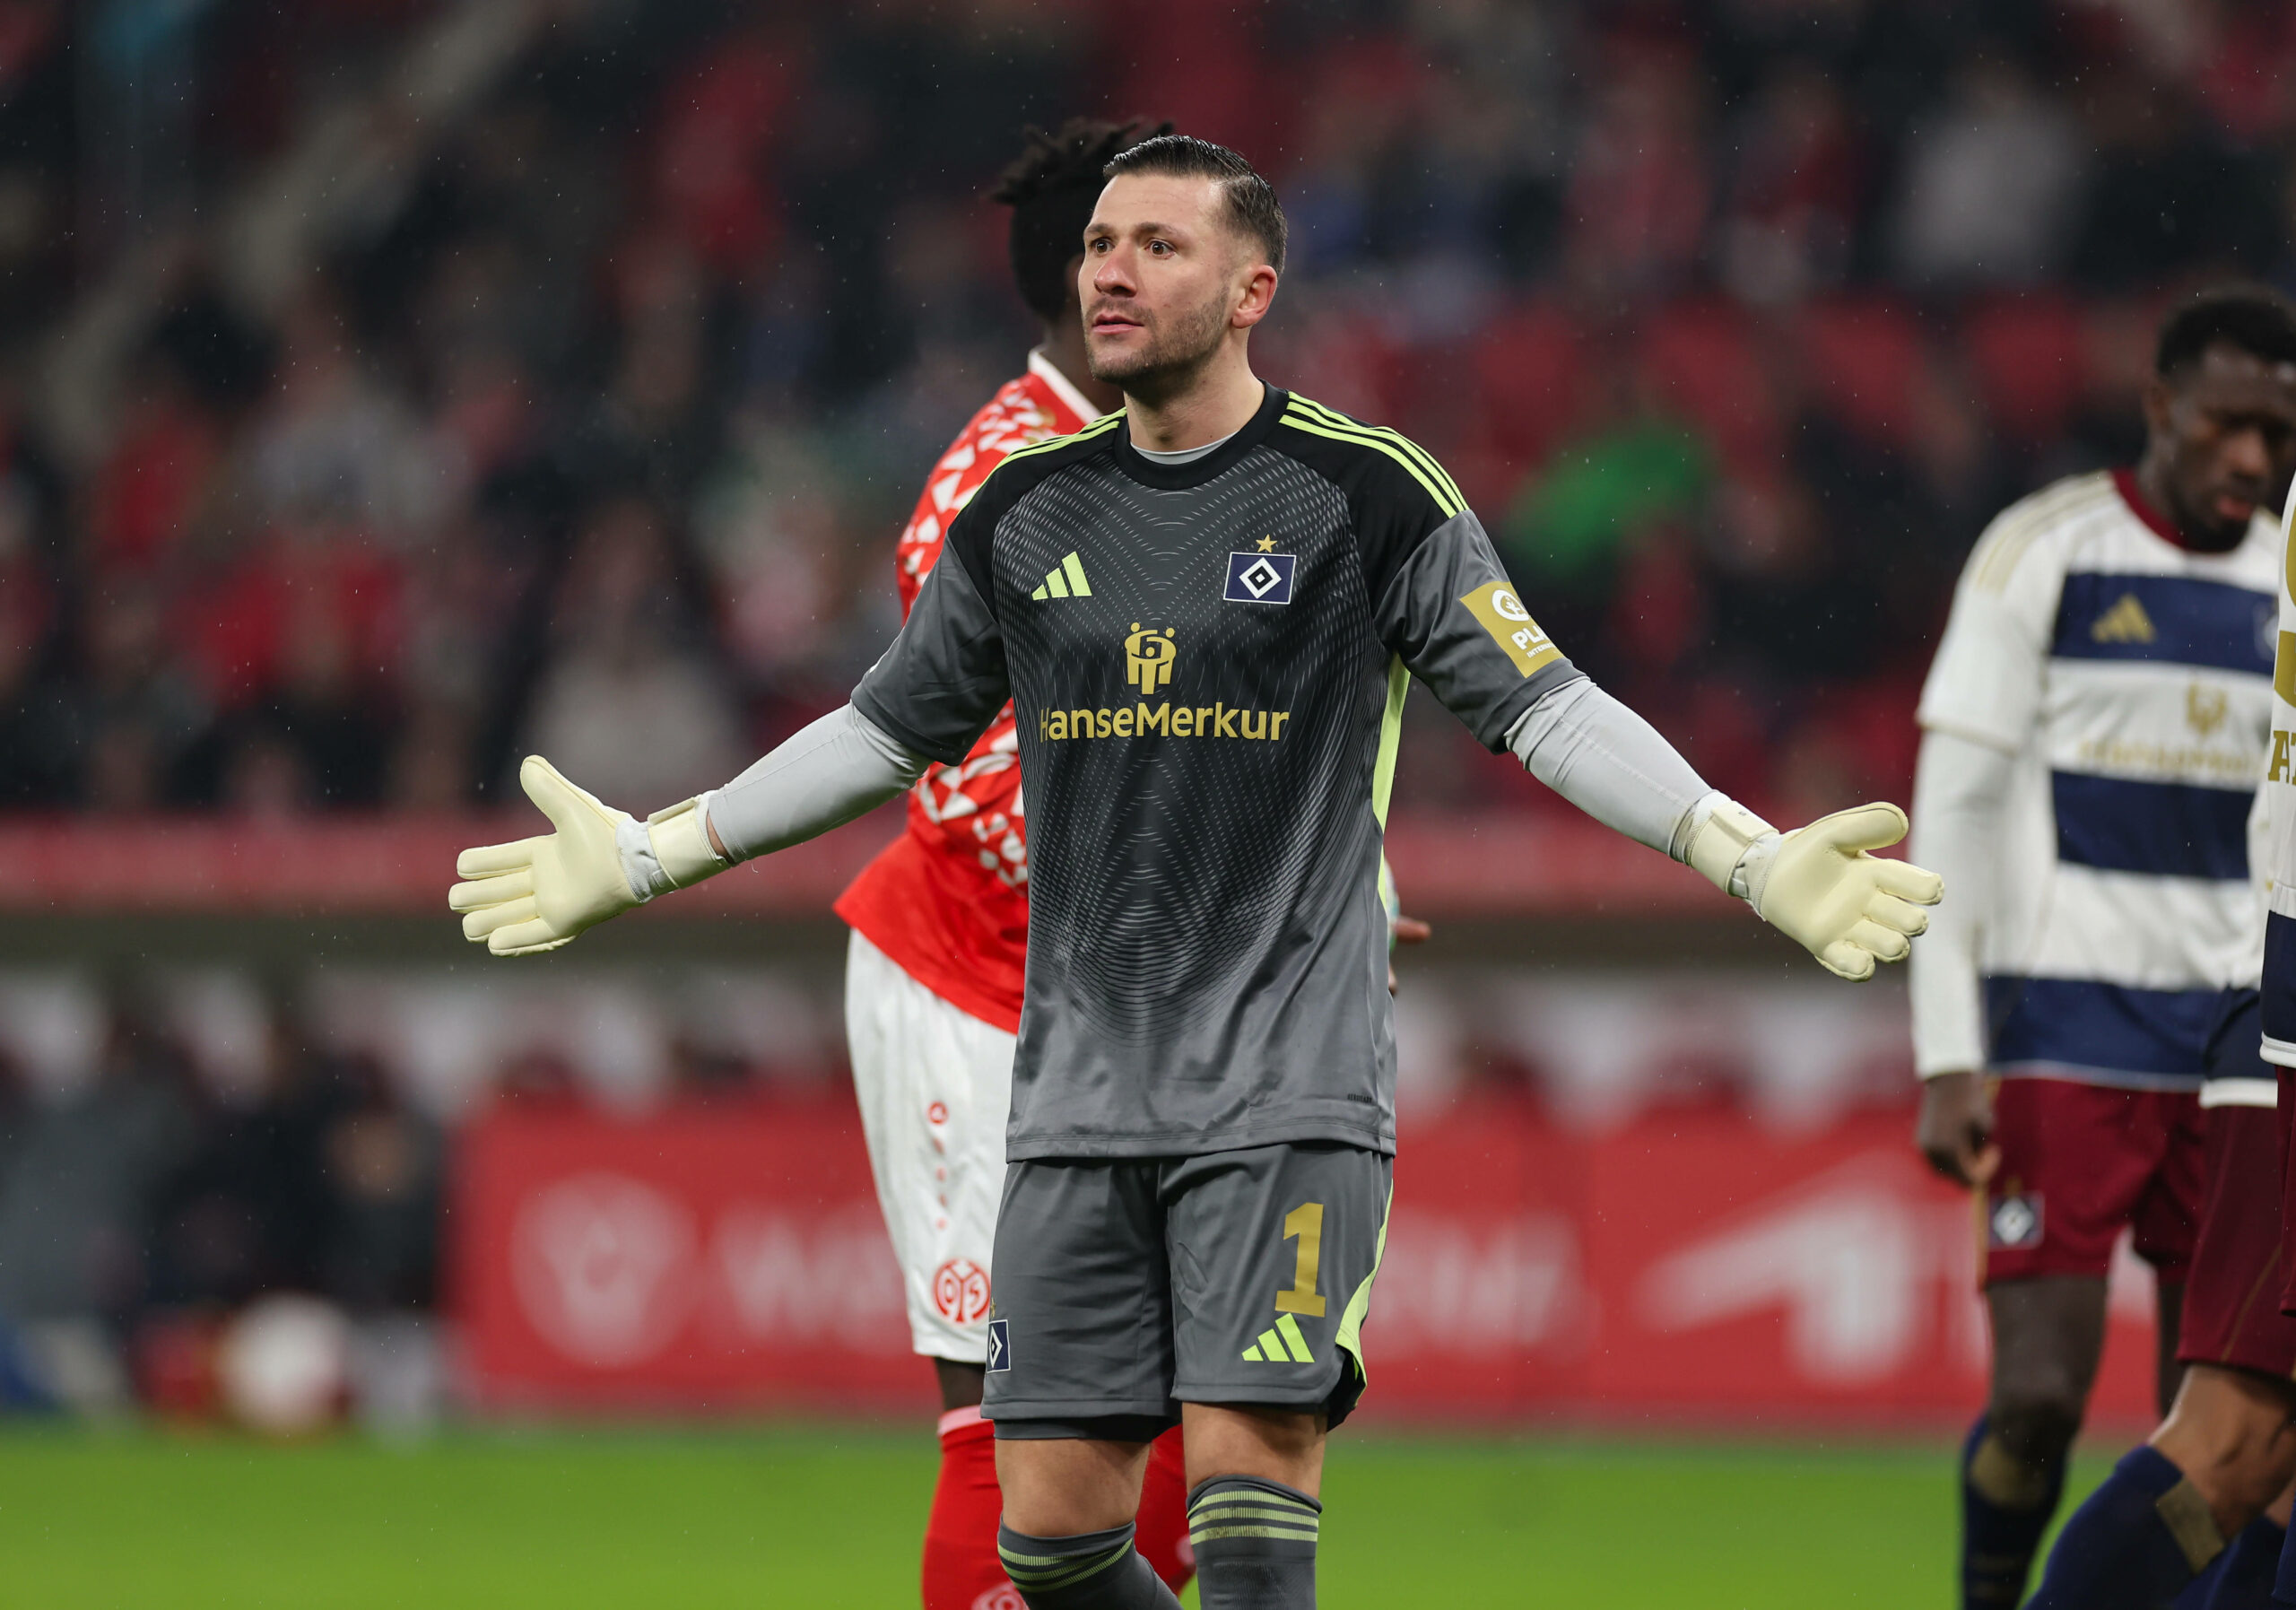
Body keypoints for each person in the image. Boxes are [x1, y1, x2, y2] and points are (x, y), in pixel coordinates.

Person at [449, 134, 1939, 1610]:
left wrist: (1746, 854)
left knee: (1243, 1483)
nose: (1113, 270)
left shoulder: (1365, 491)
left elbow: (1547, 707)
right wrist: (651, 852)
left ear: (1250, 290)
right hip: (1075, 1097)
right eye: (1102, 244)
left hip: (1284, 1090)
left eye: (1159, 245)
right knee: (1053, 1535)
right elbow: (879, 732)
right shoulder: (1024, 507)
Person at [828, 117, 1197, 1609]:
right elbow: (979, 780)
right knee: (1012, 1412)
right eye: (1156, 243)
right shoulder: (1000, 480)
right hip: (972, 992)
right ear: (1092, 286)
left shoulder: (1188, 467)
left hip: (1125, 1013)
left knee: (1187, 1415)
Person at [1909, 286, 2296, 1610]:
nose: (2251, 457)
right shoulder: (2046, 549)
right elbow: (1956, 806)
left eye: (2278, 435)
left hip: (2240, 1040)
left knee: (2220, 1427)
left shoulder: (2285, 574)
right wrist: (1947, 1051)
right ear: (2160, 407)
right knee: (2036, 1398)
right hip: (2062, 1026)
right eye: (2227, 423)